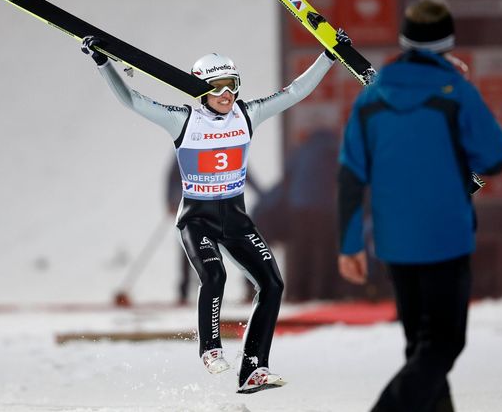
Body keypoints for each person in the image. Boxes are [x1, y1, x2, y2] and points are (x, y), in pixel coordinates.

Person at [81, 30, 348, 393]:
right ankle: (210, 349)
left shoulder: (247, 113)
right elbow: (131, 99)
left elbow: (296, 91)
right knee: (215, 276)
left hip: (235, 217)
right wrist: (103, 63)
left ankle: (253, 368)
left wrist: (329, 55)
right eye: (218, 87)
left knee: (271, 283)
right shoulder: (183, 120)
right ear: (199, 88)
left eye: (232, 85)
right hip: (197, 219)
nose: (227, 95)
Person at [337, 0, 502, 411]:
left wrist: (349, 246)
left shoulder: (371, 99)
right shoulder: (457, 92)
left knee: (421, 345)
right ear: (449, 41)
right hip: (446, 237)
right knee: (443, 343)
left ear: (404, 39)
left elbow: (349, 174)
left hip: (394, 242)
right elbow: (495, 157)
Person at [166, 157, 262, 305]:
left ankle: (250, 287)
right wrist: (172, 199)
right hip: (196, 208)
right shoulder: (189, 144)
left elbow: (243, 171)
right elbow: (173, 177)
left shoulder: (229, 143)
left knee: (240, 246)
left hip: (224, 206)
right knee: (191, 248)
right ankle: (184, 292)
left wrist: (262, 195)